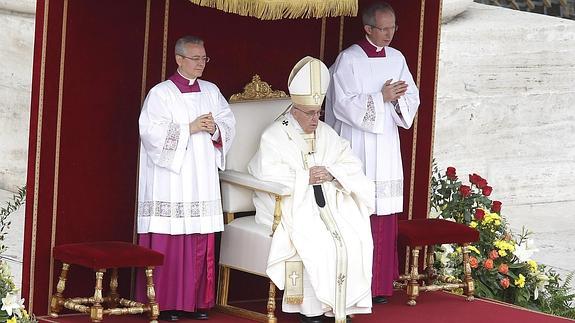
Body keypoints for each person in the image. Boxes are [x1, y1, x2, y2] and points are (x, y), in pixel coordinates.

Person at [248, 57, 374, 323]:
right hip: (291, 205)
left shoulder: (327, 133)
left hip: (327, 203)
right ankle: (309, 309)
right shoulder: (275, 135)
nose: (316, 119)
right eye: (309, 114)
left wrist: (332, 173)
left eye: (318, 113)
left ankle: (339, 307)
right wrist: (305, 176)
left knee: (354, 236)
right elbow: (267, 174)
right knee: (315, 239)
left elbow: (350, 163)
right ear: (294, 109)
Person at [325, 1, 420, 304]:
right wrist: (380, 97)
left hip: (387, 143)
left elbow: (412, 98)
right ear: (368, 28)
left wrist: (396, 101)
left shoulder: (397, 58)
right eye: (383, 28)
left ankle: (380, 283)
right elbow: (342, 104)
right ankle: (355, 284)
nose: (389, 34)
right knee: (359, 211)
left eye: (393, 27)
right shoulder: (348, 60)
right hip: (358, 144)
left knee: (384, 211)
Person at [136, 35, 235, 321]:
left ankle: (196, 303)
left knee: (199, 235)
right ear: (179, 59)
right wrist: (188, 127)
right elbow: (150, 134)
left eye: (204, 58)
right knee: (172, 237)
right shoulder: (161, 94)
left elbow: (229, 124)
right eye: (195, 58)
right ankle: (165, 303)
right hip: (172, 179)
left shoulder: (211, 91)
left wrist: (215, 128)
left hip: (201, 175)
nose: (201, 64)